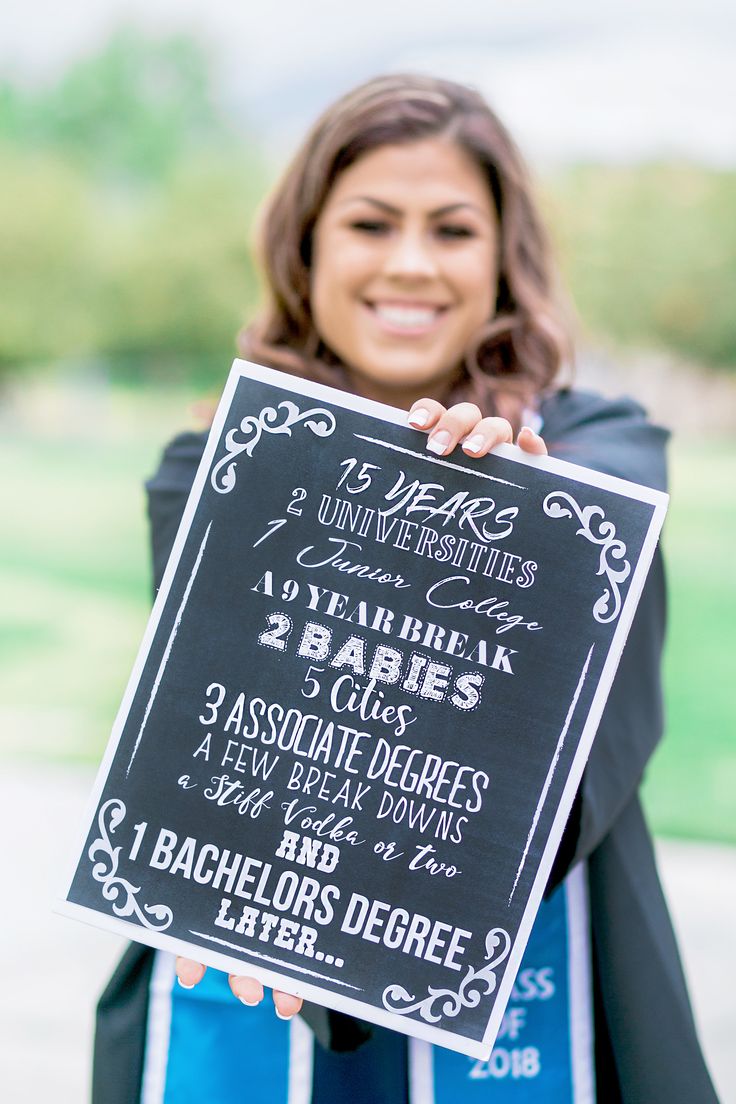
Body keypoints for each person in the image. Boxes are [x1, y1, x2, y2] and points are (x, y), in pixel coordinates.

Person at [93, 74, 718, 1103]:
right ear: (308, 247)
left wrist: (512, 494)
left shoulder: (597, 454)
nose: (411, 264)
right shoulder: (219, 467)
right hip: (254, 966)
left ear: (504, 258)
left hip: (539, 980)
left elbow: (596, 716)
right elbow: (226, 728)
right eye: (371, 224)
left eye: (454, 229)